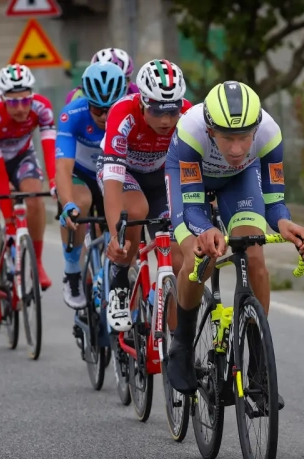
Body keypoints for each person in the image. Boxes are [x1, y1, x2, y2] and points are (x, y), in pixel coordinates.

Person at [163, 81, 304, 403]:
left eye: (243, 138)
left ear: (256, 129)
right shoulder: (191, 130)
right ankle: (181, 343)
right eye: (227, 138)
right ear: (210, 131)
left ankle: (259, 366)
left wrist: (286, 223)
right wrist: (206, 229)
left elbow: (275, 203)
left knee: (254, 254)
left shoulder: (269, 133)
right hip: (186, 180)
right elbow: (193, 207)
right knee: (197, 258)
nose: (236, 149)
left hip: (239, 181)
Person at [99, 58, 191, 332]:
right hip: (124, 172)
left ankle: (176, 343)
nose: (166, 120)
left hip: (161, 176)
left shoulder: (189, 115)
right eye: (156, 110)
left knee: (178, 259)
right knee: (136, 210)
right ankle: (118, 283)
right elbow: (113, 182)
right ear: (142, 102)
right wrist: (116, 236)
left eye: (172, 111)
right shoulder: (123, 113)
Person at [0, 63, 56, 324]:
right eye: (14, 102)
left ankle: (37, 262)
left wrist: (54, 182)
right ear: (2, 98)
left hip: (22, 157)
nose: (21, 108)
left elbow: (49, 147)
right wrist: (8, 219)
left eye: (25, 100)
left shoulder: (41, 108)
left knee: (34, 197)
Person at [56, 61, 127, 309]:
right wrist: (67, 204)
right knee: (79, 204)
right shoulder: (72, 115)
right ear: (87, 102)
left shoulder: (131, 113)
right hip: (82, 174)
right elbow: (63, 169)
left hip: (115, 174)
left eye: (111, 109)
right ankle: (72, 269)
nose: (105, 117)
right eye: (97, 109)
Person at [65, 48, 139, 104]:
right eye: (104, 79)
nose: (110, 87)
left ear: (129, 82)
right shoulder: (76, 96)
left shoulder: (137, 92)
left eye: (119, 81)